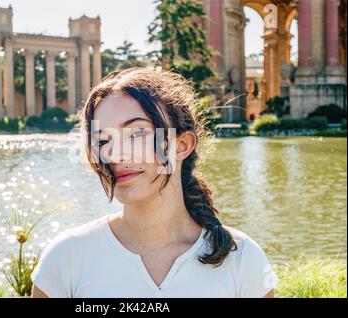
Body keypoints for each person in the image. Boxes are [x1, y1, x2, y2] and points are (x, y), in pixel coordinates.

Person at [31, 67, 278, 298]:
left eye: (137, 133)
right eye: (103, 141)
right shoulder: (66, 258)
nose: (116, 155)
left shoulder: (243, 260)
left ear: (182, 145)